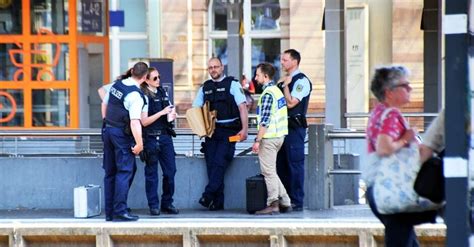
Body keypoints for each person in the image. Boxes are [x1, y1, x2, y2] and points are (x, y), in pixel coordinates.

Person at [366, 65, 437, 246]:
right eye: (405, 85)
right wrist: (407, 138)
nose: (410, 89)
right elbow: (384, 147)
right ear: (389, 92)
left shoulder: (378, 112)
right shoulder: (392, 114)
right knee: (401, 239)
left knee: (407, 240)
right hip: (393, 188)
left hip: (377, 187)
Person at [193, 57, 249, 211]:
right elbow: (195, 109)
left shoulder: (233, 84)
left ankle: (208, 195)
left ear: (222, 67)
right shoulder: (205, 87)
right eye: (210, 67)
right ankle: (217, 203)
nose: (213, 70)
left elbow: (242, 107)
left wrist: (245, 130)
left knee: (219, 162)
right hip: (212, 132)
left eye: (216, 67)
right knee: (212, 166)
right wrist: (201, 129)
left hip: (229, 131)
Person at [102, 61, 148, 221]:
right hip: (120, 134)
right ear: (144, 77)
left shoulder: (118, 85)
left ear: (132, 71)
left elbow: (105, 103)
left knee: (110, 172)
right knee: (125, 170)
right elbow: (135, 122)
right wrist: (140, 143)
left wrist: (107, 122)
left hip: (108, 130)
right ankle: (120, 210)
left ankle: (110, 212)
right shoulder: (135, 95)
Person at [251, 62, 291, 215]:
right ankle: (285, 201)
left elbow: (265, 120)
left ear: (265, 76)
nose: (256, 78)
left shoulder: (268, 94)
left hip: (269, 138)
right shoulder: (277, 91)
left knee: (267, 172)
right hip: (279, 136)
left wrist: (257, 141)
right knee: (271, 171)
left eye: (258, 75)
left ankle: (273, 203)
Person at [139, 67, 179, 216]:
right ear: (147, 80)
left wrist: (171, 115)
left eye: (159, 77)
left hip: (165, 136)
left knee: (171, 171)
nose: (158, 80)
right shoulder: (143, 95)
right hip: (150, 137)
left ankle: (167, 202)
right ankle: (153, 205)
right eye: (155, 78)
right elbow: (144, 121)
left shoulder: (162, 91)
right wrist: (161, 113)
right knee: (152, 174)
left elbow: (168, 109)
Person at [276, 49, 312, 211]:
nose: (282, 63)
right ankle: (284, 199)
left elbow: (291, 103)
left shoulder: (301, 81)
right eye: (282, 60)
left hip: (294, 128)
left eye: (285, 60)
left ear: (294, 62)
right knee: (281, 164)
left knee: (294, 164)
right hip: (280, 128)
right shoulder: (283, 80)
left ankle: (296, 201)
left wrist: (285, 86)